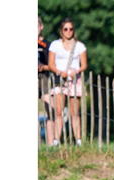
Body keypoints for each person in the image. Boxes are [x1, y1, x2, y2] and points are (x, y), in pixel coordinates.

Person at [48, 18, 87, 147]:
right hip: (61, 80)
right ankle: (56, 140)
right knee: (58, 112)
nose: (68, 31)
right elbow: (51, 64)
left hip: (75, 80)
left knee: (75, 112)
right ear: (61, 31)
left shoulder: (80, 46)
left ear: (73, 31)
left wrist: (76, 71)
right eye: (66, 29)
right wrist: (60, 72)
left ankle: (79, 140)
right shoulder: (55, 44)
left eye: (71, 29)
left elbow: (84, 65)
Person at [38, 17, 54, 146]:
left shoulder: (48, 45)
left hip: (44, 77)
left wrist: (42, 66)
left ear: (41, 27)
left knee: (50, 109)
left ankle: (50, 143)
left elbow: (53, 65)